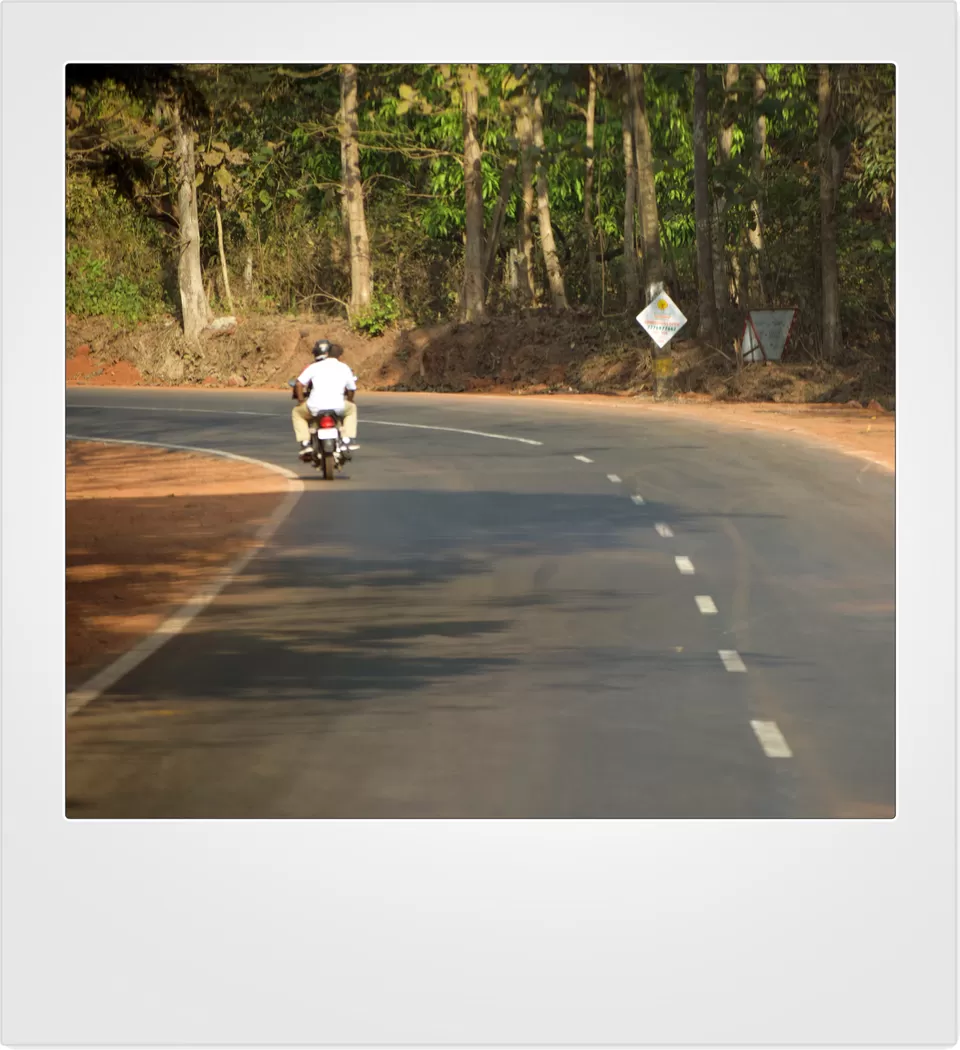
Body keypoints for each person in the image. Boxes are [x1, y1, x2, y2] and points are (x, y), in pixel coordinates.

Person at [291, 340, 359, 460]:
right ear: (340, 356)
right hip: (338, 407)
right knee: (351, 409)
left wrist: (301, 401)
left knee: (297, 413)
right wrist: (350, 400)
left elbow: (299, 384)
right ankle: (347, 439)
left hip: (314, 407)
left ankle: (305, 442)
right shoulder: (344, 367)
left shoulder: (313, 367)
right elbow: (351, 389)